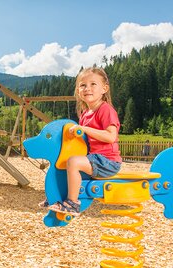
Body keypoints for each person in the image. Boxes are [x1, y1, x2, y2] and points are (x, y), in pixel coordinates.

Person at [42, 66, 122, 216]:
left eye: (93, 84)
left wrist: (85, 129)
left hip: (108, 162)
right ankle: (57, 196)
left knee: (73, 162)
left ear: (104, 88)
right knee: (65, 161)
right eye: (83, 85)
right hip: (93, 159)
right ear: (78, 91)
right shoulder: (85, 114)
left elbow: (111, 136)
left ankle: (72, 204)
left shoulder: (105, 110)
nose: (87, 88)